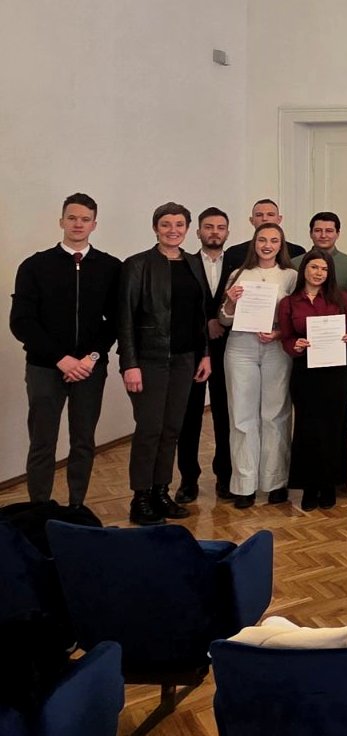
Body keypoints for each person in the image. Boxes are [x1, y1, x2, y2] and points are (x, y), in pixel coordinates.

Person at [9, 193, 121, 509]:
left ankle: (76, 508)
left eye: (85, 219)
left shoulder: (111, 267)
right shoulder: (35, 266)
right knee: (42, 442)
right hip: (45, 369)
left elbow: (115, 321)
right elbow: (22, 322)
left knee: (83, 441)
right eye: (72, 218)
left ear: (94, 224)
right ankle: (39, 509)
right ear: (61, 221)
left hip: (90, 369)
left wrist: (91, 358)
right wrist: (61, 359)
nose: (78, 224)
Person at [116, 202, 212, 524]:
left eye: (179, 225)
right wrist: (129, 363)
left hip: (186, 359)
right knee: (149, 429)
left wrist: (205, 354)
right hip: (149, 360)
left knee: (172, 428)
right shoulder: (137, 265)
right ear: (155, 228)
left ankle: (161, 491)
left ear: (187, 229)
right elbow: (125, 318)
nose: (173, 230)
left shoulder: (193, 264)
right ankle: (140, 498)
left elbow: (200, 315)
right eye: (166, 224)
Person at [219, 222, 298, 508]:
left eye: (274, 240)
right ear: (254, 242)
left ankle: (275, 481)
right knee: (242, 416)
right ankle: (244, 484)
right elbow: (224, 319)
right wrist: (230, 302)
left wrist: (278, 333)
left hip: (276, 347)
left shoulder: (291, 276)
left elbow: (296, 316)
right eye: (262, 240)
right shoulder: (238, 274)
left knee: (275, 414)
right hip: (241, 347)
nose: (267, 245)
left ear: (281, 245)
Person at [277, 249, 347, 510]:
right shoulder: (289, 303)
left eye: (324, 269)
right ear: (304, 270)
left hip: (337, 371)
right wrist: (295, 345)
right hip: (306, 372)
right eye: (314, 267)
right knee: (307, 428)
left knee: (334, 426)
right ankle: (309, 486)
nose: (319, 273)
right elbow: (286, 338)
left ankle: (329, 484)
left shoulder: (341, 298)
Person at [175, 206, 232, 502]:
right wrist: (207, 322)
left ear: (227, 232)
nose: (214, 232)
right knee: (189, 416)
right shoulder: (184, 263)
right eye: (208, 227)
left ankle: (225, 476)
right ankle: (188, 479)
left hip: (228, 349)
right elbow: (181, 307)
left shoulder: (238, 264)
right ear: (197, 232)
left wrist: (221, 321)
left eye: (220, 227)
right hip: (193, 349)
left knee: (225, 414)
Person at [223, 198, 305, 277]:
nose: (265, 219)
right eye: (259, 215)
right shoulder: (234, 253)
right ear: (251, 220)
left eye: (270, 215)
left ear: (279, 219)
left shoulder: (297, 252)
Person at [293, 212, 347, 295]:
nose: (323, 235)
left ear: (337, 234)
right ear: (310, 234)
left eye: (329, 231)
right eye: (318, 230)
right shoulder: (295, 264)